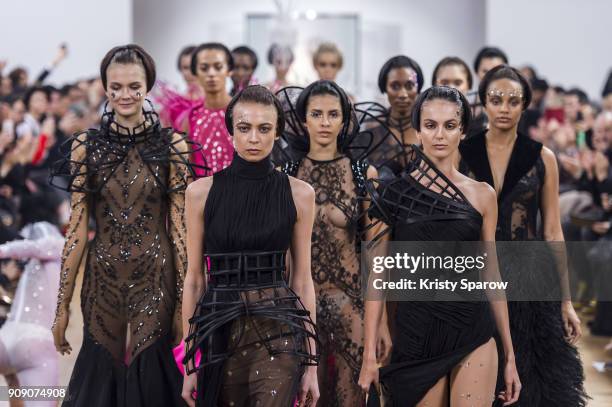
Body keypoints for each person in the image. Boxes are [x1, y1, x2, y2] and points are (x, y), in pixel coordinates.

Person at [49, 44, 199, 406]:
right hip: (102, 277)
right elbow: (76, 231)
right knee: (102, 369)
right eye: (115, 87)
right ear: (105, 87)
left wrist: (183, 302)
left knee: (153, 373)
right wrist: (61, 307)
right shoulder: (86, 145)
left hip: (156, 275)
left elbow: (179, 230)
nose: (124, 94)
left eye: (133, 86)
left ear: (147, 86)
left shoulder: (172, 145)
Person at [357, 86, 520, 406]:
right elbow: (377, 275)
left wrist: (511, 354)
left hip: (472, 328)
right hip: (415, 333)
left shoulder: (483, 194)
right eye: (431, 125)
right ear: (418, 131)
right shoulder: (392, 194)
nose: (439, 135)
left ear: (462, 131)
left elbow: (491, 273)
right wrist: (368, 354)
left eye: (449, 125)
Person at [181, 85, 319, 407]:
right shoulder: (200, 193)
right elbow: (194, 280)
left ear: (277, 133)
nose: (254, 138)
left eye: (264, 128)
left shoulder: (300, 194)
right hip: (219, 331)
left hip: (279, 332)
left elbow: (302, 280)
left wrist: (311, 364)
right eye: (244, 128)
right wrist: (190, 363)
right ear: (231, 132)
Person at [459, 65, 587, 406]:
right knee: (479, 375)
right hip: (476, 275)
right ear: (483, 102)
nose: (504, 107)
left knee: (535, 379)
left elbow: (552, 229)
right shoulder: (463, 152)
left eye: (513, 101)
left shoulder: (543, 158)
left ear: (525, 105)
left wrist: (566, 300)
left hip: (530, 280)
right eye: (496, 99)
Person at [277, 80, 391, 406]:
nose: (325, 122)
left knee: (351, 398)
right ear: (304, 119)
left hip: (351, 306)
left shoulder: (362, 174)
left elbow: (376, 258)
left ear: (344, 120)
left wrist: (380, 323)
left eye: (332, 114)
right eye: (317, 113)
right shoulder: (285, 174)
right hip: (297, 307)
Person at [0, 194, 63, 407]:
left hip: (6, 339)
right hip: (35, 342)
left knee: (14, 385)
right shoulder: (57, 243)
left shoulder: (24, 264)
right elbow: (37, 246)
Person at [355, 55, 424, 173]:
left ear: (418, 88)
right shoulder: (369, 132)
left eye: (409, 86)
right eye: (395, 86)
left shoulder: (431, 129)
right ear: (384, 87)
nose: (403, 94)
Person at [188, 42, 234, 175]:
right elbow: (189, 166)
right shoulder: (192, 116)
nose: (211, 74)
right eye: (204, 68)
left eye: (218, 67)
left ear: (229, 70)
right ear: (195, 72)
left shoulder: (241, 112)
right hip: (202, 193)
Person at [154, 45, 204, 132]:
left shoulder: (216, 103)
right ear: (180, 69)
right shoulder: (173, 106)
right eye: (186, 67)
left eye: (194, 66)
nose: (191, 72)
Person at [468, 46, 509, 138]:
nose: (490, 76)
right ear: (476, 72)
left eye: (496, 71)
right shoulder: (466, 105)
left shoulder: (515, 107)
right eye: (485, 71)